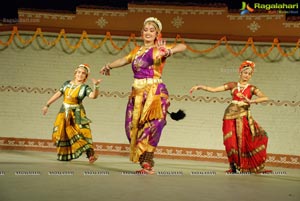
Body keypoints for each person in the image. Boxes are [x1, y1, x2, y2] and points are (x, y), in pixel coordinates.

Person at [100, 17, 187, 174]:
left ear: (157, 34)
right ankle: (143, 159)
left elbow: (182, 46)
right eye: (145, 30)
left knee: (154, 125)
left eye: (151, 30)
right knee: (131, 128)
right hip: (137, 93)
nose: (148, 32)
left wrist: (169, 51)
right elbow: (123, 60)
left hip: (155, 92)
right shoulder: (136, 51)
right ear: (141, 33)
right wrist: (108, 66)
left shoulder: (159, 49)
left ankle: (147, 161)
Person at [189, 60, 271, 174]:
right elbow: (214, 89)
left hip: (243, 117)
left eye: (249, 73)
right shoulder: (232, 85)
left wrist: (252, 101)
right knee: (230, 142)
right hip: (229, 116)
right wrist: (199, 86)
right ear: (240, 73)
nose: (247, 75)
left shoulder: (252, 88)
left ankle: (244, 165)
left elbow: (265, 97)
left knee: (248, 140)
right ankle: (233, 166)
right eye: (245, 73)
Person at [42, 64, 102, 163]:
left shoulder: (84, 87)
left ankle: (90, 154)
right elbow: (58, 94)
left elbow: (93, 96)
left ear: (85, 76)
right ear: (75, 73)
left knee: (82, 132)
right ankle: (66, 155)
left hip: (77, 113)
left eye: (83, 73)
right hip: (64, 112)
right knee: (62, 132)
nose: (80, 74)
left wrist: (96, 86)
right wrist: (47, 105)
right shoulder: (66, 84)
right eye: (79, 72)